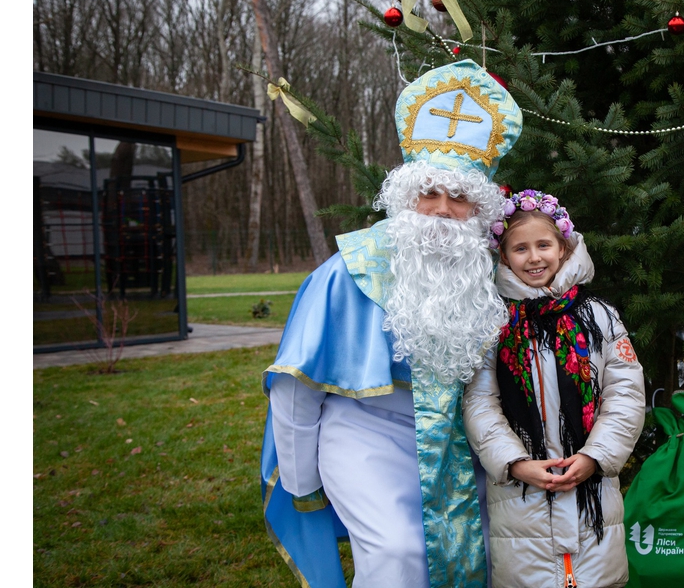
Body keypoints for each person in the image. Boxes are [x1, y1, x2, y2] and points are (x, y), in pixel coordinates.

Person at [260, 60, 523, 588]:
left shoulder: (493, 275)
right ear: (406, 196)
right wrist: (300, 481)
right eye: (430, 192)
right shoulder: (347, 273)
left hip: (461, 444)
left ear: (478, 209)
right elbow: (295, 387)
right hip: (363, 434)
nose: (442, 211)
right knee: (398, 555)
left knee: (493, 547)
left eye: (459, 197)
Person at [463, 189, 647, 588]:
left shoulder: (600, 316)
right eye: (520, 249)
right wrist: (514, 463)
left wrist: (595, 456)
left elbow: (625, 395)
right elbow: (480, 402)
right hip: (520, 499)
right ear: (503, 257)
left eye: (543, 245)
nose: (533, 258)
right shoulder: (493, 323)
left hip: (593, 493)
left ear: (563, 248)